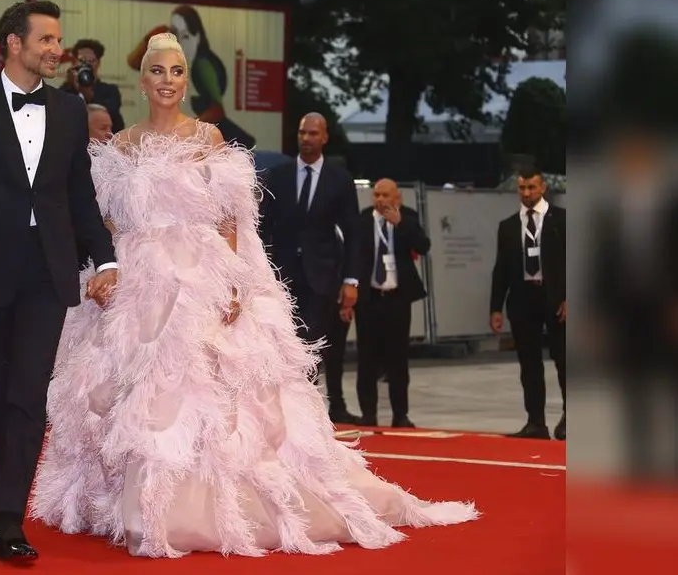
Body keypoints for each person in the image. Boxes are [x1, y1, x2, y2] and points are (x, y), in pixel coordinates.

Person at [30, 32, 477, 559]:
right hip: (136, 284)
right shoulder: (120, 146)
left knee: (212, 390)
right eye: (157, 71)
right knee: (139, 393)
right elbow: (104, 221)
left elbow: (229, 221)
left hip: (200, 277)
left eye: (176, 71)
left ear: (185, 79)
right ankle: (139, 503)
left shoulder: (210, 139)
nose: (167, 81)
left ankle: (201, 511)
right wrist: (104, 267)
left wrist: (235, 280)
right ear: (143, 79)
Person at [0, 0, 118, 563]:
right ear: (15, 42)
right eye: (49, 40)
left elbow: (80, 195)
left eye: (58, 40)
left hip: (46, 271)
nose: (58, 49)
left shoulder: (71, 110)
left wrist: (103, 259)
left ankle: (10, 517)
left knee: (29, 392)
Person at [259, 112, 361, 425]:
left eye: (314, 133)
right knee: (283, 342)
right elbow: (263, 228)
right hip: (282, 275)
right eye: (303, 132)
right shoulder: (278, 175)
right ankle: (284, 408)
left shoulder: (339, 179)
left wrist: (351, 281)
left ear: (325, 137)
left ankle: (308, 410)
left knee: (314, 343)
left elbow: (353, 231)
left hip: (322, 276)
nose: (307, 138)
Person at [489, 166, 566, 440]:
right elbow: (501, 269)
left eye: (532, 187)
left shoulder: (562, 220)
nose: (527, 193)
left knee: (565, 360)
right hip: (523, 298)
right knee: (529, 364)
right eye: (522, 188)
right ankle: (536, 422)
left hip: (556, 298)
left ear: (543, 187)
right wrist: (495, 307)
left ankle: (571, 418)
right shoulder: (508, 226)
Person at [351, 179, 430, 428]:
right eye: (376, 195)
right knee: (366, 359)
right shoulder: (363, 219)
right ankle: (368, 413)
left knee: (398, 359)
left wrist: (401, 225)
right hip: (369, 299)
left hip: (397, 298)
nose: (381, 200)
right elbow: (352, 255)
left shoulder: (408, 217)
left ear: (397, 197)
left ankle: (400, 414)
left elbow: (423, 246)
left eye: (386, 195)